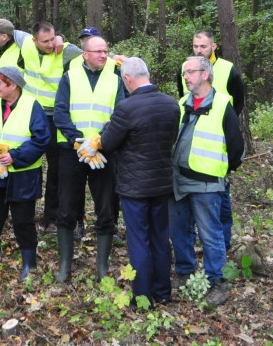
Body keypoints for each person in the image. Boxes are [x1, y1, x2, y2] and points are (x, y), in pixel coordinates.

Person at [92, 57, 180, 305]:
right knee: (160, 238)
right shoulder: (171, 105)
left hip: (134, 187)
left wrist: (109, 126)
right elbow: (168, 139)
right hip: (162, 184)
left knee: (139, 241)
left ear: (128, 79)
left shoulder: (127, 108)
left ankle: (142, 296)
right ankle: (162, 292)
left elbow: (108, 144)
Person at [170, 56, 245, 307]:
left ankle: (217, 281)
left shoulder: (223, 104)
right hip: (179, 180)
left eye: (190, 72)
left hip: (208, 183)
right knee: (179, 230)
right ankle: (185, 272)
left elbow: (236, 148)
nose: (186, 77)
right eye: (184, 73)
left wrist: (221, 170)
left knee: (210, 234)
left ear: (205, 74)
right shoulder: (182, 103)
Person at [52, 32, 126, 282]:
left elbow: (121, 116)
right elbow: (60, 114)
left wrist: (100, 141)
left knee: (105, 209)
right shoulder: (69, 77)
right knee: (66, 208)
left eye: (106, 50)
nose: (104, 55)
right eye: (98, 51)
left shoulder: (116, 80)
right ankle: (65, 267)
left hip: (103, 153)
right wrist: (78, 142)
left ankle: (102, 268)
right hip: (72, 152)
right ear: (85, 54)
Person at [0, 66, 49, 280]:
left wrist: (15, 156)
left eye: (0, 82)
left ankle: (29, 264)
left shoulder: (32, 106)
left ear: (13, 85)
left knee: (23, 220)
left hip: (22, 177)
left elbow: (41, 139)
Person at [175, 29, 246, 252]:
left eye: (203, 47)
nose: (199, 50)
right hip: (193, 147)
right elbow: (184, 98)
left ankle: (223, 244)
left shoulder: (228, 69)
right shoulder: (185, 69)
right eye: (195, 47)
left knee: (221, 205)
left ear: (214, 46)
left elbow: (238, 103)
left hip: (220, 142)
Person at [19, 21, 82, 232]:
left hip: (55, 119)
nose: (50, 43)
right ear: (34, 39)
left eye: (52, 38)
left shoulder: (66, 50)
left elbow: (93, 54)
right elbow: (8, 33)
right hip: (30, 116)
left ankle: (51, 218)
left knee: (56, 170)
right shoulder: (25, 43)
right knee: (26, 164)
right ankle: (24, 216)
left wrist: (117, 59)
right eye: (45, 41)